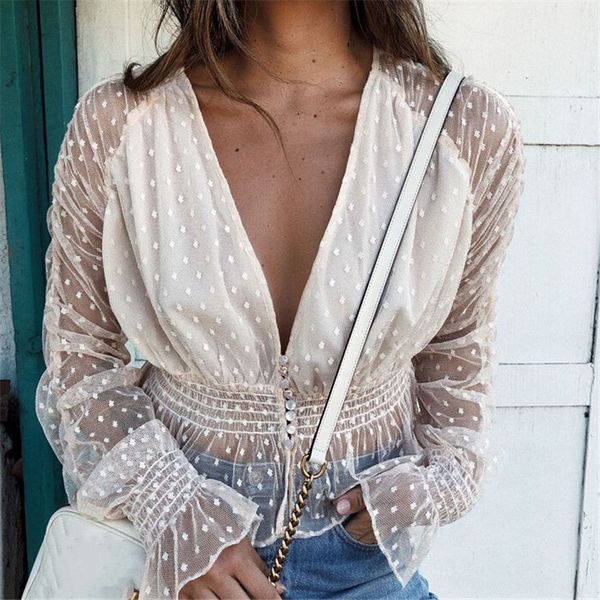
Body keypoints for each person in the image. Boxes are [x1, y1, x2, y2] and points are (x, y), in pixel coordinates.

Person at [35, 1, 526, 599]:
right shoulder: (120, 127)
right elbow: (80, 354)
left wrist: (438, 482)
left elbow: (458, 346)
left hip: (366, 564)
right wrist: (172, 506)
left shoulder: (463, 128)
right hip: (174, 557)